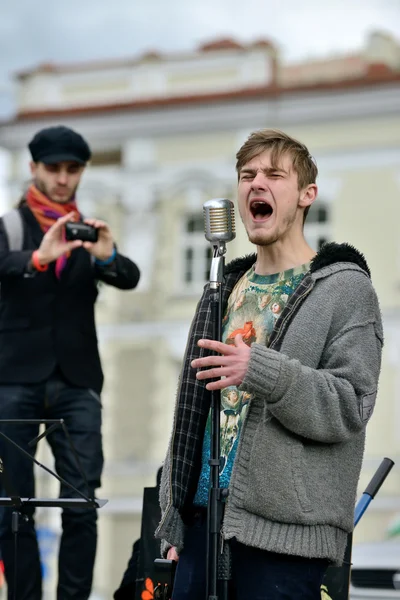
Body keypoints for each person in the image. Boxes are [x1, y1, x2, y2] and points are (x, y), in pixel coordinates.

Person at [155, 129, 383, 600]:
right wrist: (173, 514)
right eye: (247, 175)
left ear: (306, 195)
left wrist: (263, 372)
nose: (257, 183)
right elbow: (191, 415)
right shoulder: (223, 290)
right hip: (201, 525)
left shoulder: (343, 289)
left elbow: (350, 404)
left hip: (283, 540)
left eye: (274, 174)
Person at [0, 125, 140, 600]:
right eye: (53, 169)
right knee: (12, 507)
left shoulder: (87, 229)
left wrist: (108, 255)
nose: (63, 179)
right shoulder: (12, 227)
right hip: (14, 380)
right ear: (33, 168)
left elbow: (130, 276)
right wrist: (38, 257)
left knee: (82, 504)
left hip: (78, 383)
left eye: (72, 170)